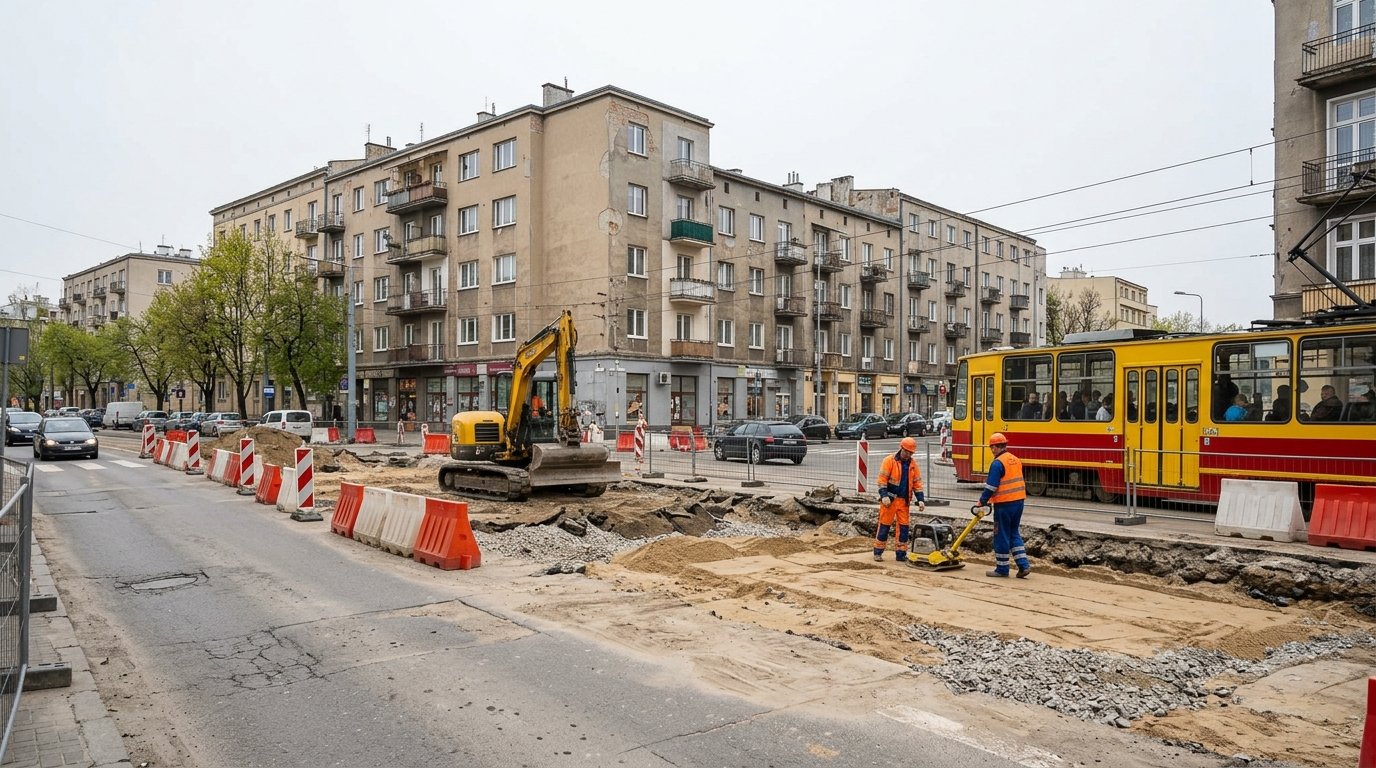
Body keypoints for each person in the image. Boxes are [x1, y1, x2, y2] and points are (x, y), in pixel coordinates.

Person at [978, 433, 1030, 578]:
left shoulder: (997, 463)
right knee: (1013, 532)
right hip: (1019, 502)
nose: (991, 450)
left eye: (991, 447)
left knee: (1000, 534)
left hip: (1004, 503)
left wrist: (982, 501)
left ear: (994, 447)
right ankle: (1024, 565)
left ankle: (1002, 569)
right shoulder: (1015, 459)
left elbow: (991, 486)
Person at [875, 436, 925, 562]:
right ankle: (878, 552)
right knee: (884, 526)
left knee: (903, 528)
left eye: (910, 453)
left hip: (904, 502)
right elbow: (882, 481)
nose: (908, 454)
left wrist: (920, 499)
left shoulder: (912, 465)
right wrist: (884, 495)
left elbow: (917, 483)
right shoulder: (889, 461)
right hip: (890, 501)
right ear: (901, 448)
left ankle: (901, 554)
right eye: (906, 451)